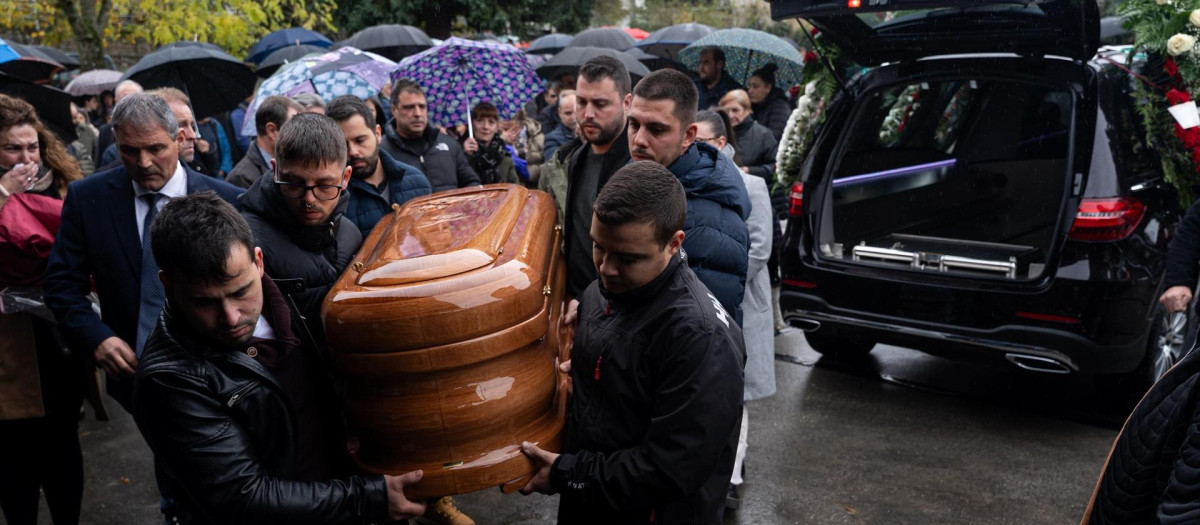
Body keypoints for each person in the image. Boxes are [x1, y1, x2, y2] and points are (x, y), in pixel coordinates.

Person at [131, 192, 428, 524]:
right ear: (168, 286)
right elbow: (243, 498)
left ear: (259, 262)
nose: (230, 317)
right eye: (204, 303)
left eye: (240, 291)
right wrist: (367, 498)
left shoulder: (297, 295)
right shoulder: (169, 379)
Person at [519, 162, 746, 525]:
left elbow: (671, 468)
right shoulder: (601, 291)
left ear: (673, 244)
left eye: (627, 258)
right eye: (598, 247)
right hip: (592, 504)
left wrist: (570, 472)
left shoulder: (700, 338)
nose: (606, 268)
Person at [44, 92, 242, 411]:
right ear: (116, 143)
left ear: (178, 139)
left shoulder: (228, 201)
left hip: (218, 374)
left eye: (155, 149)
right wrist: (97, 337)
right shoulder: (89, 199)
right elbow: (61, 284)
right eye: (130, 151)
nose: (144, 162)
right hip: (135, 377)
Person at [0, 93, 87, 525]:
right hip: (9, 342)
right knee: (15, 446)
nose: (25, 156)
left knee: (62, 438)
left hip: (57, 335)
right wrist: (3, 192)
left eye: (32, 146)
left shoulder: (62, 180)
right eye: (12, 148)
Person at [694, 109, 775, 510]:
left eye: (704, 143)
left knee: (734, 394)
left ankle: (733, 474)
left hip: (740, 303)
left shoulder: (751, 184)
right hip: (702, 306)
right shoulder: (689, 182)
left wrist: (718, 282)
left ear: (722, 144)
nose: (696, 150)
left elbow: (759, 248)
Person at [628, 69, 751, 324]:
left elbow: (702, 336)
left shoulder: (707, 224)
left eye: (656, 129)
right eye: (633, 124)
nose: (639, 140)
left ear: (688, 136)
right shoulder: (638, 176)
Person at [238, 113, 361, 339]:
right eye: (294, 183)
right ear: (275, 170)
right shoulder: (246, 243)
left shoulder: (350, 232)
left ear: (346, 177)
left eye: (324, 185)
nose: (309, 199)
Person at [559, 55, 634, 301]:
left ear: (627, 103)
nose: (587, 114)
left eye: (600, 104)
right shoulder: (577, 158)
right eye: (581, 102)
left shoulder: (638, 165)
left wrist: (593, 302)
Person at [326, 94, 432, 237]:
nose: (353, 151)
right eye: (343, 145)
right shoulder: (333, 197)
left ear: (377, 133)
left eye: (360, 140)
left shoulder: (417, 181)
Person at [380, 79, 480, 192]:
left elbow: (472, 182)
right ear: (394, 110)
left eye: (422, 107)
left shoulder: (449, 144)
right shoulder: (382, 151)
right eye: (409, 107)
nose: (418, 114)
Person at [227, 96, 303, 189]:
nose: (302, 135)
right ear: (272, 131)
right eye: (295, 128)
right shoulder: (241, 178)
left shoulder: (293, 166)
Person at [147, 87, 213, 177]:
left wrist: (207, 155)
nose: (193, 135)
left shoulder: (197, 171)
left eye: (192, 125)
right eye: (181, 125)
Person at [719, 90, 778, 185]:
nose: (730, 115)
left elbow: (775, 167)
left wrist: (749, 171)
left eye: (735, 110)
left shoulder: (763, 134)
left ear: (747, 110)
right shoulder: (718, 132)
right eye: (726, 111)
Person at [462, 102, 520, 185]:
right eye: (480, 121)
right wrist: (466, 156)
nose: (486, 127)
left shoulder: (504, 157)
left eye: (491, 122)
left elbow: (515, 189)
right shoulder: (460, 153)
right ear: (472, 124)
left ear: (497, 127)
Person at [94, 80, 143, 168]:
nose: (129, 104)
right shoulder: (105, 131)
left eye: (134, 99)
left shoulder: (152, 130)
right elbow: (99, 168)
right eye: (124, 99)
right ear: (116, 102)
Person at [747, 64, 793, 141]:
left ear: (768, 88)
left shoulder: (780, 107)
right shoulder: (753, 105)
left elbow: (775, 136)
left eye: (755, 87)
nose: (750, 91)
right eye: (749, 86)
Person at [695, 46, 744, 111]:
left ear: (719, 64)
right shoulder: (693, 87)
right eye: (700, 63)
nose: (701, 67)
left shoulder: (732, 90)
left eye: (706, 62)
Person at [542, 90, 576, 160]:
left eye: (576, 112)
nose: (573, 117)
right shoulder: (552, 139)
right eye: (568, 113)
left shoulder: (589, 133)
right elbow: (553, 167)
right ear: (559, 113)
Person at [69, 101, 97, 176]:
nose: (74, 121)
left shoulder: (87, 131)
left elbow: (96, 152)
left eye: (75, 117)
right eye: (71, 118)